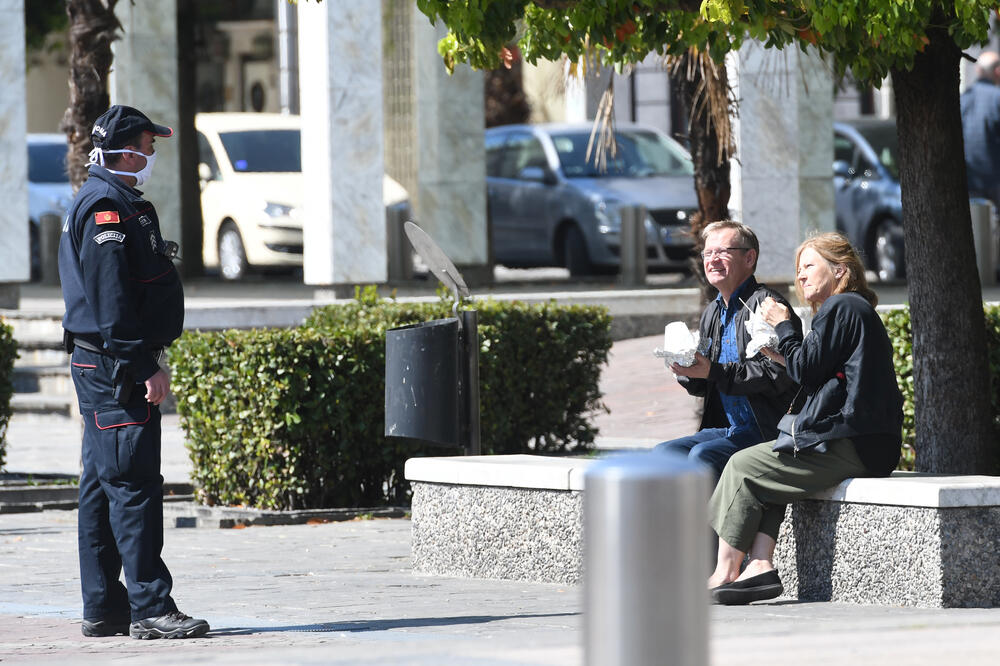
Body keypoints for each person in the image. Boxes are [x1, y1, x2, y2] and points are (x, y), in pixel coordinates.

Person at [58, 105, 209, 639]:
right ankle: (151, 608)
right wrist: (143, 363)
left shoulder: (121, 202)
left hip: (107, 361)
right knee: (134, 484)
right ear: (123, 149)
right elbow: (111, 300)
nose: (151, 155)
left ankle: (103, 607)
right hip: (114, 365)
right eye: (147, 145)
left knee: (103, 485)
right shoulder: (104, 208)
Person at [707, 232, 903, 605]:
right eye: (798, 269)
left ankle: (724, 572)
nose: (800, 276)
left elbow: (808, 370)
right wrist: (781, 354)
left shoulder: (842, 307)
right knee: (771, 469)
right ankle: (760, 565)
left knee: (742, 465)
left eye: (809, 265)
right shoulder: (852, 309)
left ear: (840, 270)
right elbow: (812, 370)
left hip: (854, 440)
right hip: (868, 441)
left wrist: (784, 324)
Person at [655, 220, 801, 481]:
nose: (712, 260)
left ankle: (704, 524)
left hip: (768, 427)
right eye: (707, 253)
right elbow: (708, 382)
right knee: (664, 454)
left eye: (722, 252)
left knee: (703, 456)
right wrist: (687, 371)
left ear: (749, 257)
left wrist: (714, 371)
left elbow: (778, 373)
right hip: (728, 428)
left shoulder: (768, 305)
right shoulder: (713, 311)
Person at [961, 50, 1000, 211]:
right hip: (995, 181)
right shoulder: (997, 97)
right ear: (997, 71)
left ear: (978, 71)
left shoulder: (964, 98)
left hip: (968, 180)